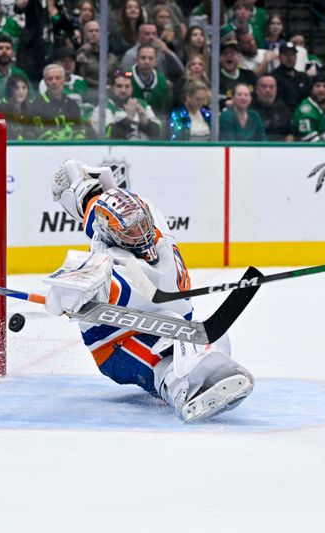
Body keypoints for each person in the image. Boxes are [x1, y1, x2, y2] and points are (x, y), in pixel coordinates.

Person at [47, 160, 254, 422]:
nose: (140, 233)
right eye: (130, 232)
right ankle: (180, 392)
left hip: (169, 320)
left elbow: (120, 209)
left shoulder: (153, 223)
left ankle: (214, 369)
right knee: (160, 361)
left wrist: (93, 192)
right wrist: (67, 297)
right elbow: (63, 295)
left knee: (214, 339)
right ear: (112, 235)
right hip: (117, 343)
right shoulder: (106, 261)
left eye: (142, 224)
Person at [95, 70, 161, 140]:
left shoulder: (143, 105)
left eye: (127, 86)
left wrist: (145, 122)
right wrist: (128, 119)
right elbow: (107, 134)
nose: (123, 90)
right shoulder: (102, 108)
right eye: (119, 86)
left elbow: (158, 133)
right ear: (112, 88)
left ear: (132, 88)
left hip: (144, 149)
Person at [250, 74, 293, 141]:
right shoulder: (249, 109)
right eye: (264, 87)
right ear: (256, 90)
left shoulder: (282, 108)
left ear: (276, 90)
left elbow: (290, 134)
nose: (268, 90)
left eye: (271, 87)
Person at [0, 74, 36, 140]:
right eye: (17, 88)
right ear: (10, 90)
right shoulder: (1, 109)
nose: (21, 92)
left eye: (24, 88)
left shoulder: (31, 109)